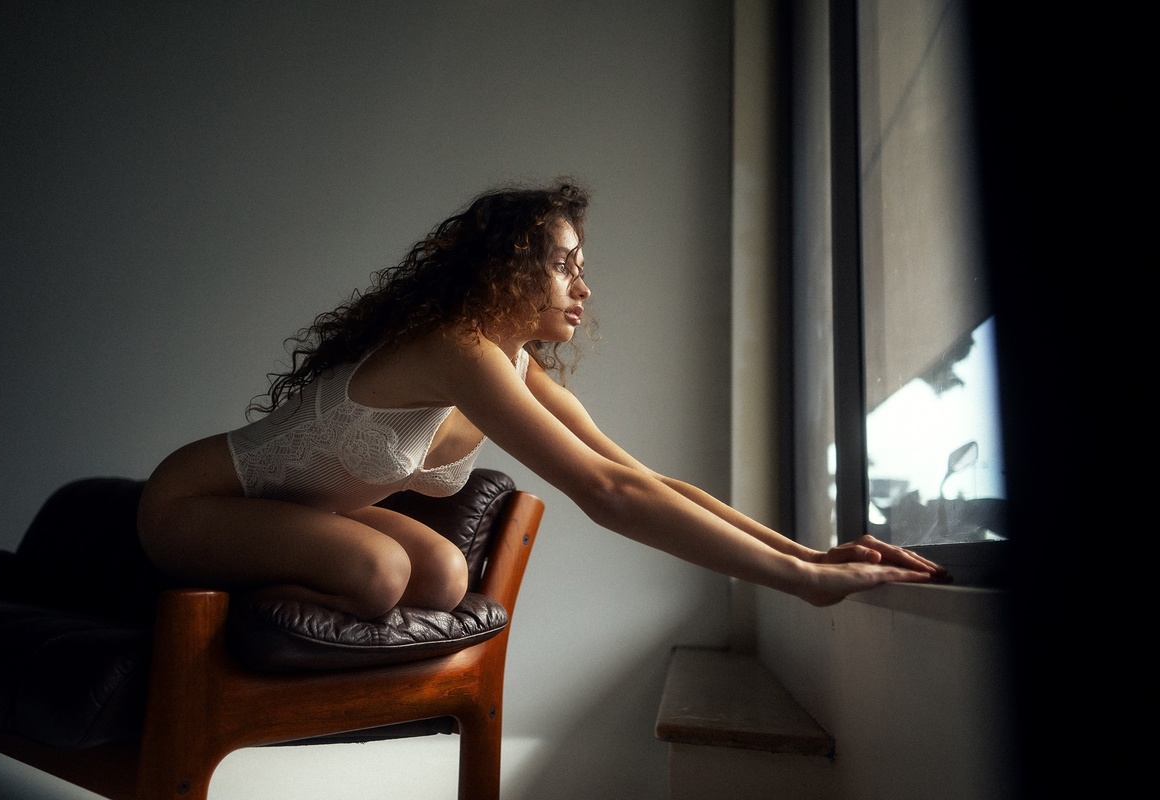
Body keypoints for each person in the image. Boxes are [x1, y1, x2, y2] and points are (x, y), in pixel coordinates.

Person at [137, 181, 947, 620]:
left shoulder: (515, 367)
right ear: (509, 270)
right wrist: (793, 582)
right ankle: (223, 596)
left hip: (312, 519)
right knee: (382, 571)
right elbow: (607, 498)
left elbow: (642, 479)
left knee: (445, 576)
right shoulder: (456, 350)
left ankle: (283, 576)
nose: (583, 288)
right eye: (566, 265)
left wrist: (808, 554)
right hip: (192, 501)